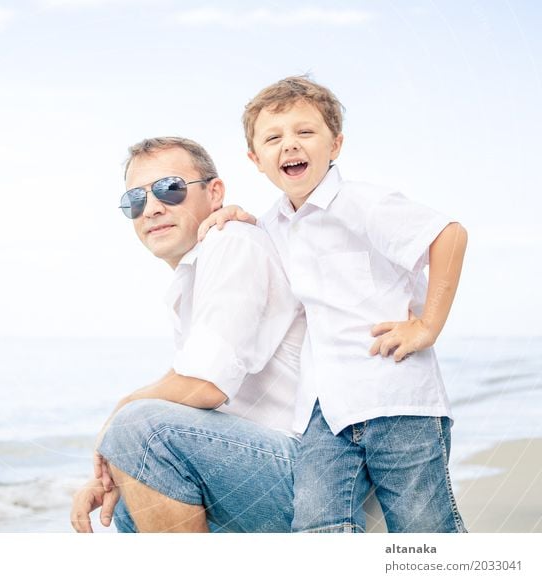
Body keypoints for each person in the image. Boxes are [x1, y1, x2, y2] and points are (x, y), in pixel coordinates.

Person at [200, 76, 468, 533]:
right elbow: (261, 250)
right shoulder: (274, 224)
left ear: (335, 144)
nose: (290, 146)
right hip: (325, 412)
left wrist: (427, 326)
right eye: (273, 138)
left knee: (423, 530)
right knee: (317, 527)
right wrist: (234, 216)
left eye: (305, 132)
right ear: (255, 159)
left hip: (396, 397)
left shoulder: (362, 202)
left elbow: (449, 235)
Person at [69, 137, 306, 533]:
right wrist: (115, 468)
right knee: (131, 497)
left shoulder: (231, 243)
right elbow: (188, 386)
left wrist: (117, 421)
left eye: (170, 189)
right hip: (260, 467)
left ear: (214, 193)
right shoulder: (194, 276)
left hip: (311, 472)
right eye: (136, 200)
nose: (153, 208)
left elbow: (204, 385)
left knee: (138, 428)